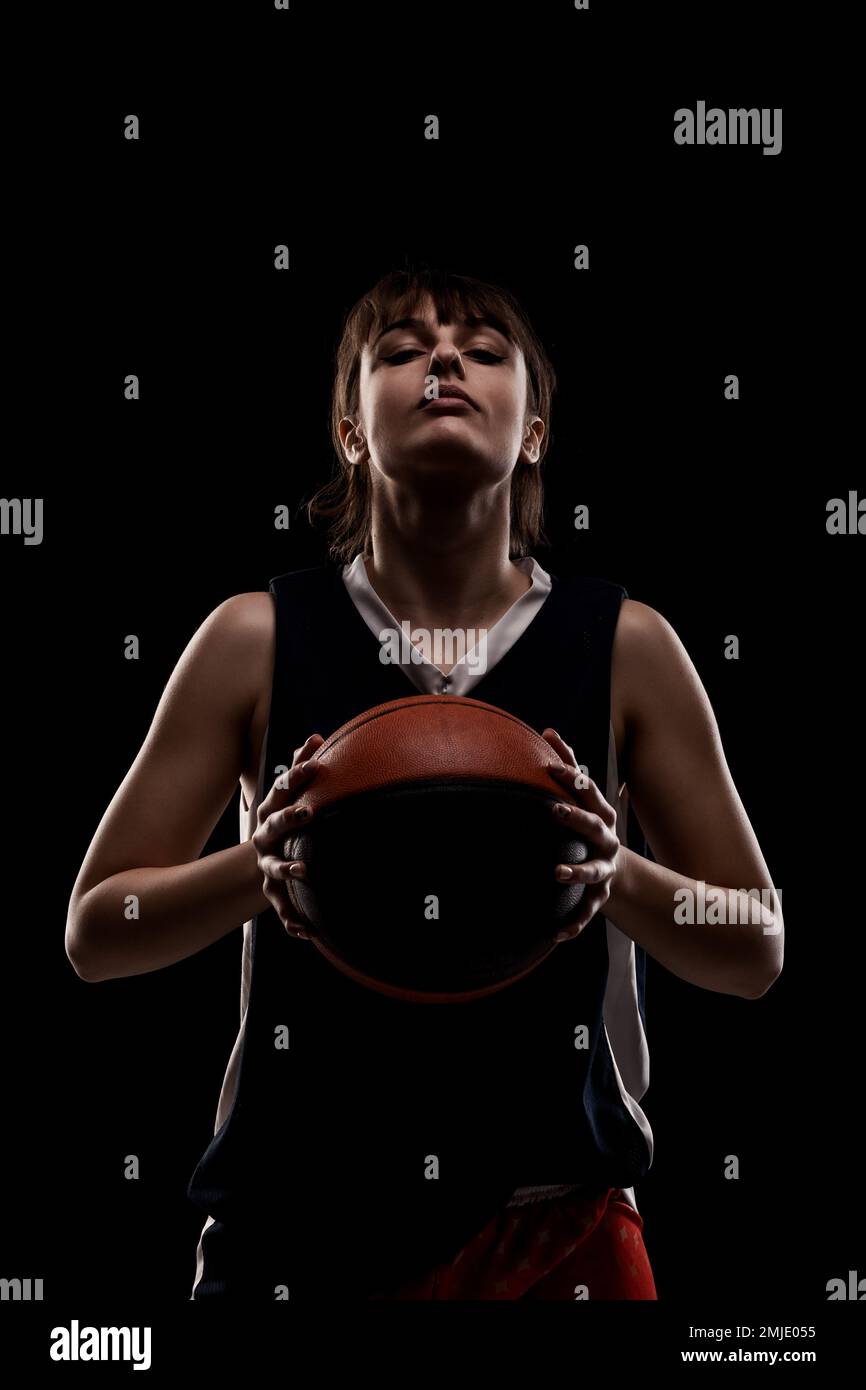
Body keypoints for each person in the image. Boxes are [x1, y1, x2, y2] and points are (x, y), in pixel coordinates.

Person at [65, 266, 784, 1301]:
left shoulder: (625, 644)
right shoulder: (252, 638)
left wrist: (613, 874)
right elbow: (96, 928)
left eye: (484, 351)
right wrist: (257, 869)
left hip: (555, 1221)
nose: (443, 359)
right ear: (350, 431)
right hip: (297, 1225)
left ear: (532, 430)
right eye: (400, 349)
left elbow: (755, 942)